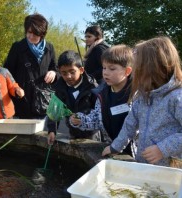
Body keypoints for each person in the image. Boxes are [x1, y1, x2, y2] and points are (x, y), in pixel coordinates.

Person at [102, 36, 182, 167]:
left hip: (171, 170)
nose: (134, 72)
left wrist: (163, 149)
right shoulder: (143, 97)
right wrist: (115, 147)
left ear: (153, 67)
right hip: (144, 166)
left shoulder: (176, 97)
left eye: (138, 67)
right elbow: (130, 125)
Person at [69, 45, 134, 156]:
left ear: (127, 71)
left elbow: (136, 126)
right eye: (104, 68)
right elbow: (98, 119)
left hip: (134, 153)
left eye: (112, 68)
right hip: (110, 148)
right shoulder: (102, 94)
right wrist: (81, 120)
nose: (105, 72)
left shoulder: (135, 95)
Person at [4, 13, 58, 119]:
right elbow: (7, 73)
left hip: (42, 101)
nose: (31, 36)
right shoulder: (17, 47)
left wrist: (54, 73)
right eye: (29, 32)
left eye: (35, 34)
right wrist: (15, 89)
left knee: (41, 134)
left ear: (42, 34)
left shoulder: (49, 48)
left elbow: (55, 68)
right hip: (22, 101)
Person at [47, 50, 100, 145]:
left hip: (92, 133)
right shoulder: (60, 88)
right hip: (72, 131)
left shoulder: (92, 87)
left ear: (81, 70)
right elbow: (55, 111)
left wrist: (84, 119)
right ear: (59, 71)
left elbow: (99, 112)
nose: (68, 76)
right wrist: (52, 130)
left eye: (72, 72)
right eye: (64, 73)